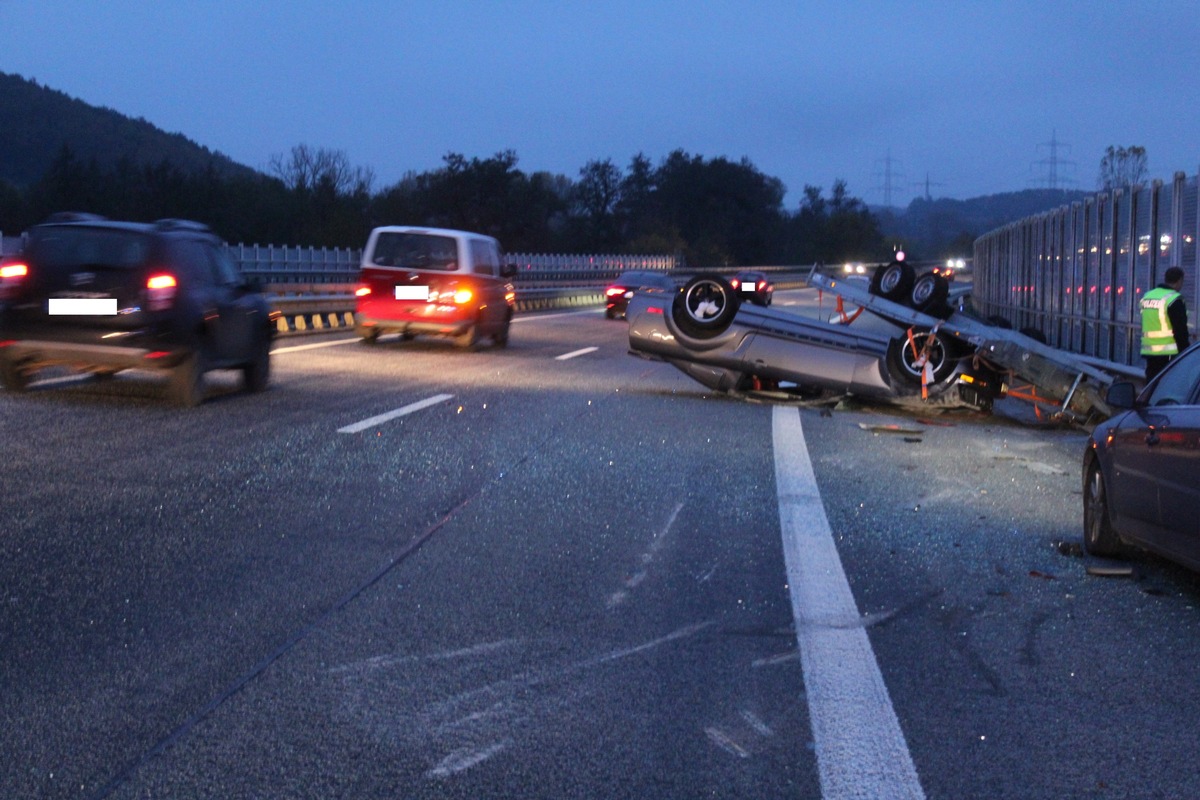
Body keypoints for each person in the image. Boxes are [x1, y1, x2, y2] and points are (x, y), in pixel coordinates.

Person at [1140, 266, 1190, 382]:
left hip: (1149, 352)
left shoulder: (1147, 296)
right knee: (1168, 386)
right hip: (1168, 353)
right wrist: (1185, 353)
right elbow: (1180, 330)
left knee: (1152, 385)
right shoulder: (1174, 299)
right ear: (1179, 281)